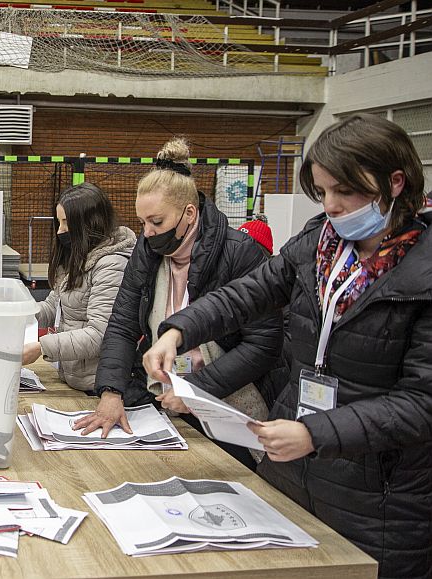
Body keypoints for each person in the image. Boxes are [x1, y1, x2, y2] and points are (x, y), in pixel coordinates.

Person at [143, 114, 432, 578]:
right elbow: (247, 295)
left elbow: (421, 403)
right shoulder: (319, 245)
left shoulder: (421, 272)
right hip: (292, 469)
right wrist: (178, 330)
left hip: (378, 496)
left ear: (394, 183)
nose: (332, 206)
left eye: (346, 192)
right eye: (323, 192)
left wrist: (317, 434)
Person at [73, 138, 282, 469]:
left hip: (228, 399)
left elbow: (263, 344)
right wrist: (111, 392)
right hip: (166, 394)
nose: (148, 233)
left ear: (189, 213)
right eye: (143, 222)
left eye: (157, 222)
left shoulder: (241, 253)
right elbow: (123, 322)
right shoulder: (148, 251)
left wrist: (198, 390)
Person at [22, 183, 137, 392]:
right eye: (59, 222)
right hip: (72, 377)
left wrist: (42, 347)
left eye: (66, 223)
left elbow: (99, 334)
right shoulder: (76, 256)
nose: (60, 231)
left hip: (98, 386)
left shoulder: (112, 265)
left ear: (89, 222)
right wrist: (17, 315)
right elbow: (53, 306)